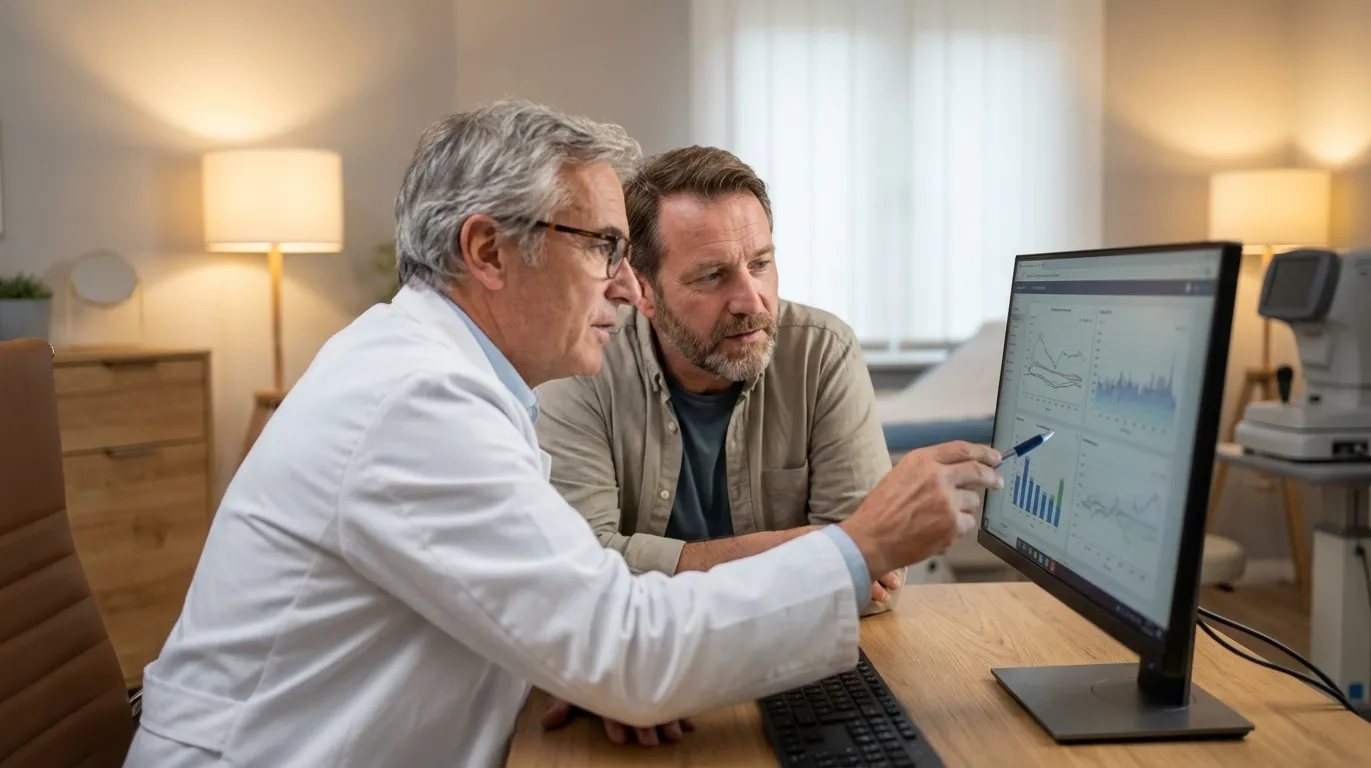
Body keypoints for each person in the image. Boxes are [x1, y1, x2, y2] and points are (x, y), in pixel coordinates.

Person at [122, 100, 1003, 768]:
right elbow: (622, 642)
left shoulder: (447, 375)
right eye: (603, 250)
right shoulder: (417, 404)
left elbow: (593, 617)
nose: (627, 290)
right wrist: (858, 545)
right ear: (488, 251)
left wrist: (599, 660)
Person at [536, 146, 905, 609]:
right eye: (713, 276)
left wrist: (650, 566)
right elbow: (575, 575)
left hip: (793, 654)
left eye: (760, 265)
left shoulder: (823, 352)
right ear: (643, 291)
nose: (752, 301)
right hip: (639, 662)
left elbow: (872, 578)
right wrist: (803, 554)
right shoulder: (584, 367)